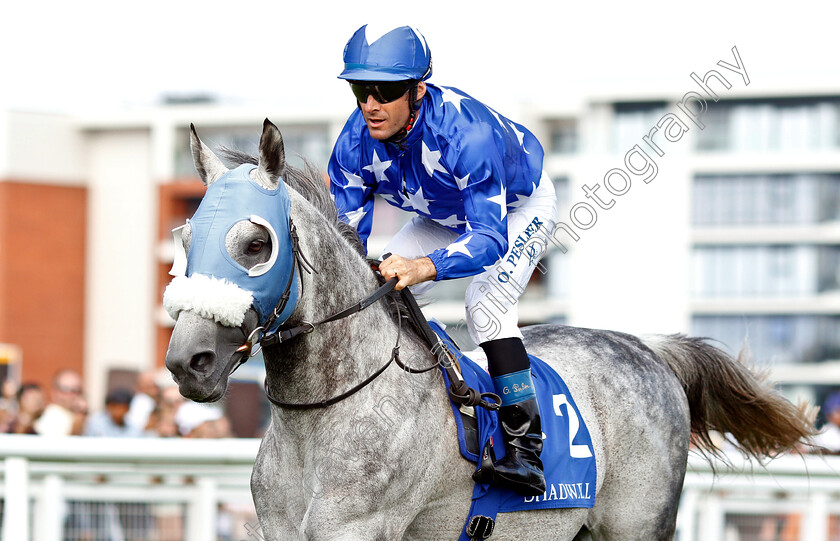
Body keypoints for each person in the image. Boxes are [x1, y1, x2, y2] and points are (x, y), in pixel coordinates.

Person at [328, 25, 556, 496]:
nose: (370, 104)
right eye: (359, 90)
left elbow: (489, 240)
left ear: (418, 90)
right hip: (441, 215)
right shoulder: (352, 144)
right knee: (376, 294)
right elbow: (343, 241)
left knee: (485, 302)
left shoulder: (466, 133)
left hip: (513, 210)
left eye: (385, 91)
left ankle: (525, 449)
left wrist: (424, 267)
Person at [34, 368, 84, 436]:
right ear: (54, 392)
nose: (72, 395)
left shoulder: (74, 416)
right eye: (66, 389)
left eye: (76, 390)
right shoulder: (53, 417)